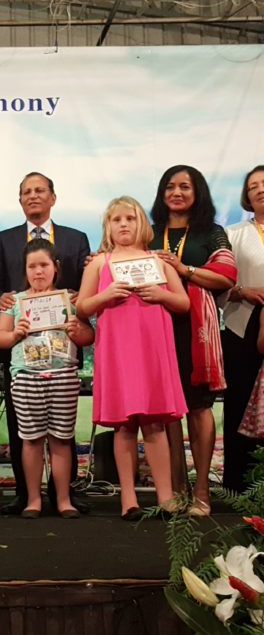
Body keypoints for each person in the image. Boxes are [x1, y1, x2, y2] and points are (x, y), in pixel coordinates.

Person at [76, 196, 188, 520]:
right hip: (118, 351)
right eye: (116, 220)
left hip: (151, 350)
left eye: (130, 218)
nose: (124, 224)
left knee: (154, 424)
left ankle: (165, 498)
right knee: (124, 426)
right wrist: (104, 296)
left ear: (142, 224)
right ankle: (128, 499)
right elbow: (82, 306)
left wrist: (162, 294)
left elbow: (183, 302)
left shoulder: (159, 261)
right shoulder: (100, 263)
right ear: (107, 227)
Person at [0, 172, 92, 515]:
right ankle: (29, 498)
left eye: (40, 191)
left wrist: (80, 311)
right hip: (26, 375)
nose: (38, 271)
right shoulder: (4, 242)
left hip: (63, 371)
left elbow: (88, 324)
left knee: (62, 439)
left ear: (53, 196)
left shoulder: (76, 239)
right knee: (29, 439)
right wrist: (9, 319)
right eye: (26, 192)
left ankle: (65, 498)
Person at [148, 165, 235, 517]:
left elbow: (227, 276)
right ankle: (176, 489)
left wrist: (184, 271)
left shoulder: (210, 233)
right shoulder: (149, 233)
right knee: (167, 410)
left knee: (199, 407)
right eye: (170, 187)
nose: (177, 193)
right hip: (155, 329)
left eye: (185, 186)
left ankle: (202, 490)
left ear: (197, 192)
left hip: (196, 330)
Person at [220, 165, 264, 493]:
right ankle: (238, 487)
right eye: (253, 186)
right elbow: (219, 285)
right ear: (246, 197)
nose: (260, 189)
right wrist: (242, 291)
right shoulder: (232, 234)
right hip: (242, 323)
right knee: (240, 402)